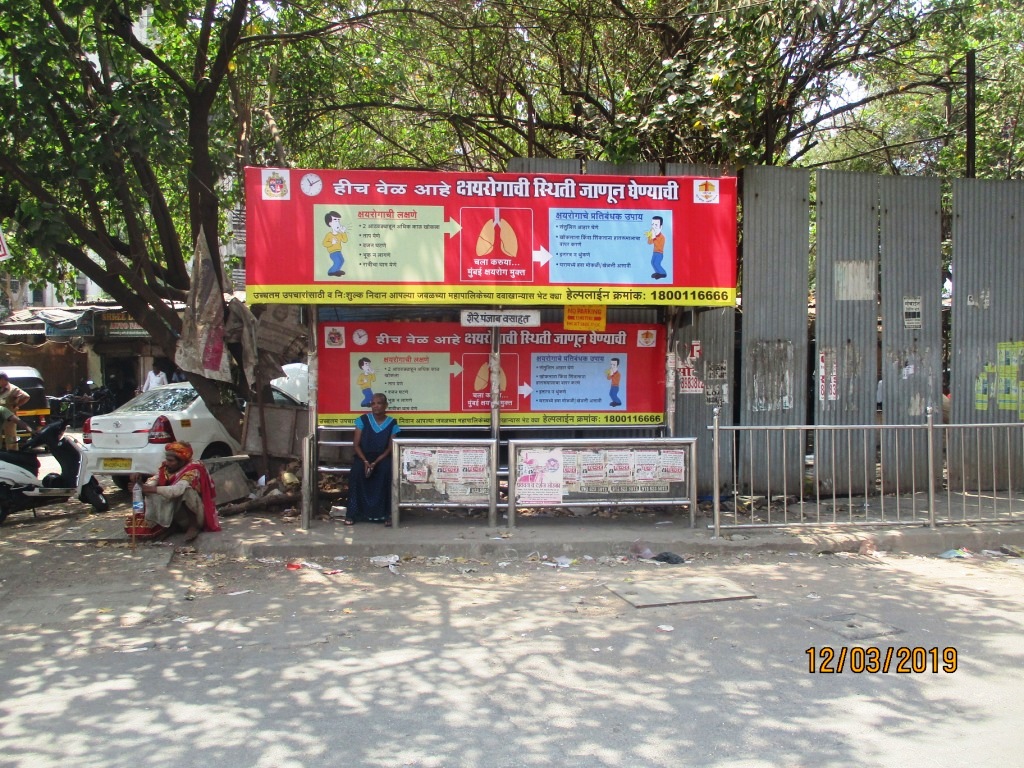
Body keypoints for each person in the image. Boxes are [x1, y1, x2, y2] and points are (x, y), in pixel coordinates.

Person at [132, 442, 221, 542]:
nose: (167, 463)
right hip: (176, 514)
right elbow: (153, 481)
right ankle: (170, 525)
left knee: (186, 491)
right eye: (167, 460)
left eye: (171, 461)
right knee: (154, 492)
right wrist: (139, 484)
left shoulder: (194, 469)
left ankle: (193, 526)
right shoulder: (166, 468)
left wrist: (149, 489)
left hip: (197, 515)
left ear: (181, 461)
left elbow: (177, 490)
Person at [346, 393, 400, 526]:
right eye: (373, 403)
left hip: (382, 457)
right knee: (356, 473)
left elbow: (390, 447)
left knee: (387, 472)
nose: (376, 406)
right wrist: (365, 461)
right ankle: (352, 514)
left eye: (379, 403)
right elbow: (356, 444)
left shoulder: (392, 422)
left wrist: (376, 462)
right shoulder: (362, 420)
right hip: (363, 456)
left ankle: (387, 514)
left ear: (385, 405)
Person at [0, 372, 30, 451]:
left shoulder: (13, 389)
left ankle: (12, 453)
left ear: (3, 380)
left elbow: (26, 396)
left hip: (9, 417)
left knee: (10, 436)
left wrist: (17, 405)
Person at [646, 215, 667, 279]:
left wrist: (654, 237)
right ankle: (658, 272)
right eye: (652, 224)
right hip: (654, 252)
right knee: (652, 262)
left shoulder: (662, 237)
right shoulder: (654, 235)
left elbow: (658, 245)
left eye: (656, 225)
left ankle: (663, 273)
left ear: (661, 227)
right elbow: (649, 243)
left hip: (659, 253)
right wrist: (649, 236)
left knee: (657, 263)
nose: (653, 227)